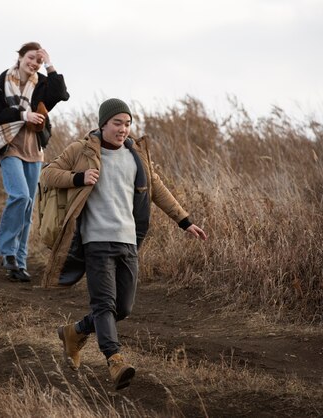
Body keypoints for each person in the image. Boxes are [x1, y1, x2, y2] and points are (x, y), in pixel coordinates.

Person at [40, 98, 208, 390]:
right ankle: (114, 360)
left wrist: (184, 221)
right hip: (95, 240)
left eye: (128, 123)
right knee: (104, 304)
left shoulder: (136, 155)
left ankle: (75, 331)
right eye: (117, 123)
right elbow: (48, 174)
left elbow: (158, 190)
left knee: (123, 308)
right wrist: (78, 177)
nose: (123, 129)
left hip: (128, 240)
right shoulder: (81, 150)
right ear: (103, 123)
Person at [0, 42, 69, 282]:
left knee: (29, 206)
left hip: (34, 150)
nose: (34, 63)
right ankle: (8, 253)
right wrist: (23, 115)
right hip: (9, 147)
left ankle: (19, 263)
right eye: (31, 58)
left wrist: (50, 63)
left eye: (38, 61)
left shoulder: (41, 85)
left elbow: (61, 93)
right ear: (20, 58)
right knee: (20, 196)